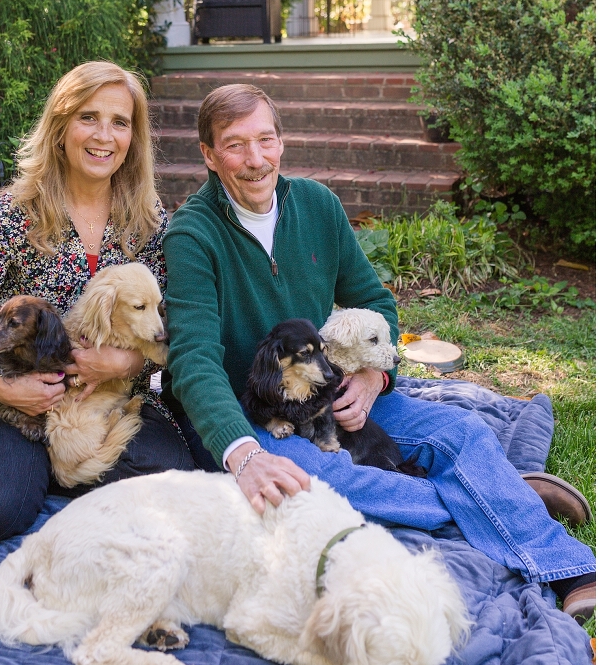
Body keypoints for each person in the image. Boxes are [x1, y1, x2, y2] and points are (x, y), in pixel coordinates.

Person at [162, 83, 596, 623]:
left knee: (464, 433)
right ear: (207, 154)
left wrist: (372, 380)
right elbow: (193, 360)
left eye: (265, 139)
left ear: (282, 141)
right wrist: (243, 454)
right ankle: (505, 500)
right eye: (234, 145)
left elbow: (373, 301)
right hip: (253, 421)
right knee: (327, 483)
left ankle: (568, 568)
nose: (255, 160)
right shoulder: (191, 235)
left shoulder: (317, 206)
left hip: (332, 393)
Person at [0, 61, 212, 542]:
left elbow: (170, 319)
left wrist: (129, 360)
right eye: (88, 117)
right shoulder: (16, 213)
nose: (104, 135)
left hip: (102, 402)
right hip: (22, 399)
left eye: (120, 122)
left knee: (175, 483)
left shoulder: (149, 218)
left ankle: (48, 472)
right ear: (60, 127)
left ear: (133, 139)